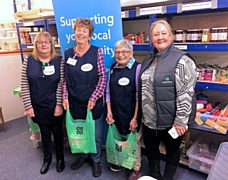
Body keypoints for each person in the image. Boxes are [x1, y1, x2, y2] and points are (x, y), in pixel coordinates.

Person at [137, 20, 197, 180]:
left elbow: (186, 93)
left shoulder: (182, 60)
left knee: (172, 151)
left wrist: (181, 121)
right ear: (151, 38)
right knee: (151, 149)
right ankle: (154, 174)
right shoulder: (149, 58)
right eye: (156, 34)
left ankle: (168, 177)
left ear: (171, 37)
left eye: (164, 33)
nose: (160, 37)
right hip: (149, 119)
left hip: (171, 121)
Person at [62, 18, 106, 178]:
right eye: (78, 30)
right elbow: (65, 79)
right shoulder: (68, 54)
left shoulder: (96, 52)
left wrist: (94, 97)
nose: (80, 33)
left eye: (84, 30)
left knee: (95, 133)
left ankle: (95, 161)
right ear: (74, 32)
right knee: (78, 132)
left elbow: (102, 78)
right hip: (74, 101)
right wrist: (65, 97)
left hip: (92, 103)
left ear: (89, 35)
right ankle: (81, 156)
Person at [21, 31, 65, 174]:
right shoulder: (28, 61)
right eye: (40, 42)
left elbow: (61, 84)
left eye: (47, 42)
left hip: (54, 106)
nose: (43, 44)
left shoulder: (59, 61)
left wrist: (59, 104)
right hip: (37, 106)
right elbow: (24, 84)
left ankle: (60, 159)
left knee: (58, 133)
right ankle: (47, 159)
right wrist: (28, 106)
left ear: (52, 45)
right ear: (36, 45)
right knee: (44, 133)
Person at [106, 39, 142, 180]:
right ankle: (123, 161)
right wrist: (109, 111)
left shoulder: (137, 68)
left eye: (124, 51)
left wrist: (135, 117)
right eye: (117, 52)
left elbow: (139, 96)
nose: (120, 55)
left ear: (131, 53)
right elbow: (108, 91)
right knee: (121, 139)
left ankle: (136, 168)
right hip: (116, 111)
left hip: (131, 111)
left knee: (134, 141)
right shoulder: (114, 67)